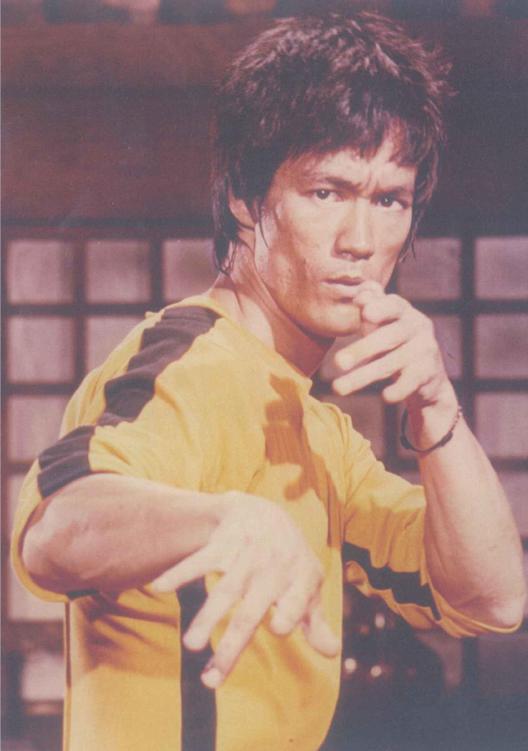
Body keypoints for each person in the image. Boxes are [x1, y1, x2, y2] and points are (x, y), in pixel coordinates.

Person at [12, 11, 525, 751]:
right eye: (327, 192)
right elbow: (53, 529)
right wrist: (225, 520)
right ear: (246, 198)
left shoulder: (319, 430)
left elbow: (493, 598)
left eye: (389, 200)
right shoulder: (192, 362)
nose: (360, 241)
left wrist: (438, 412)